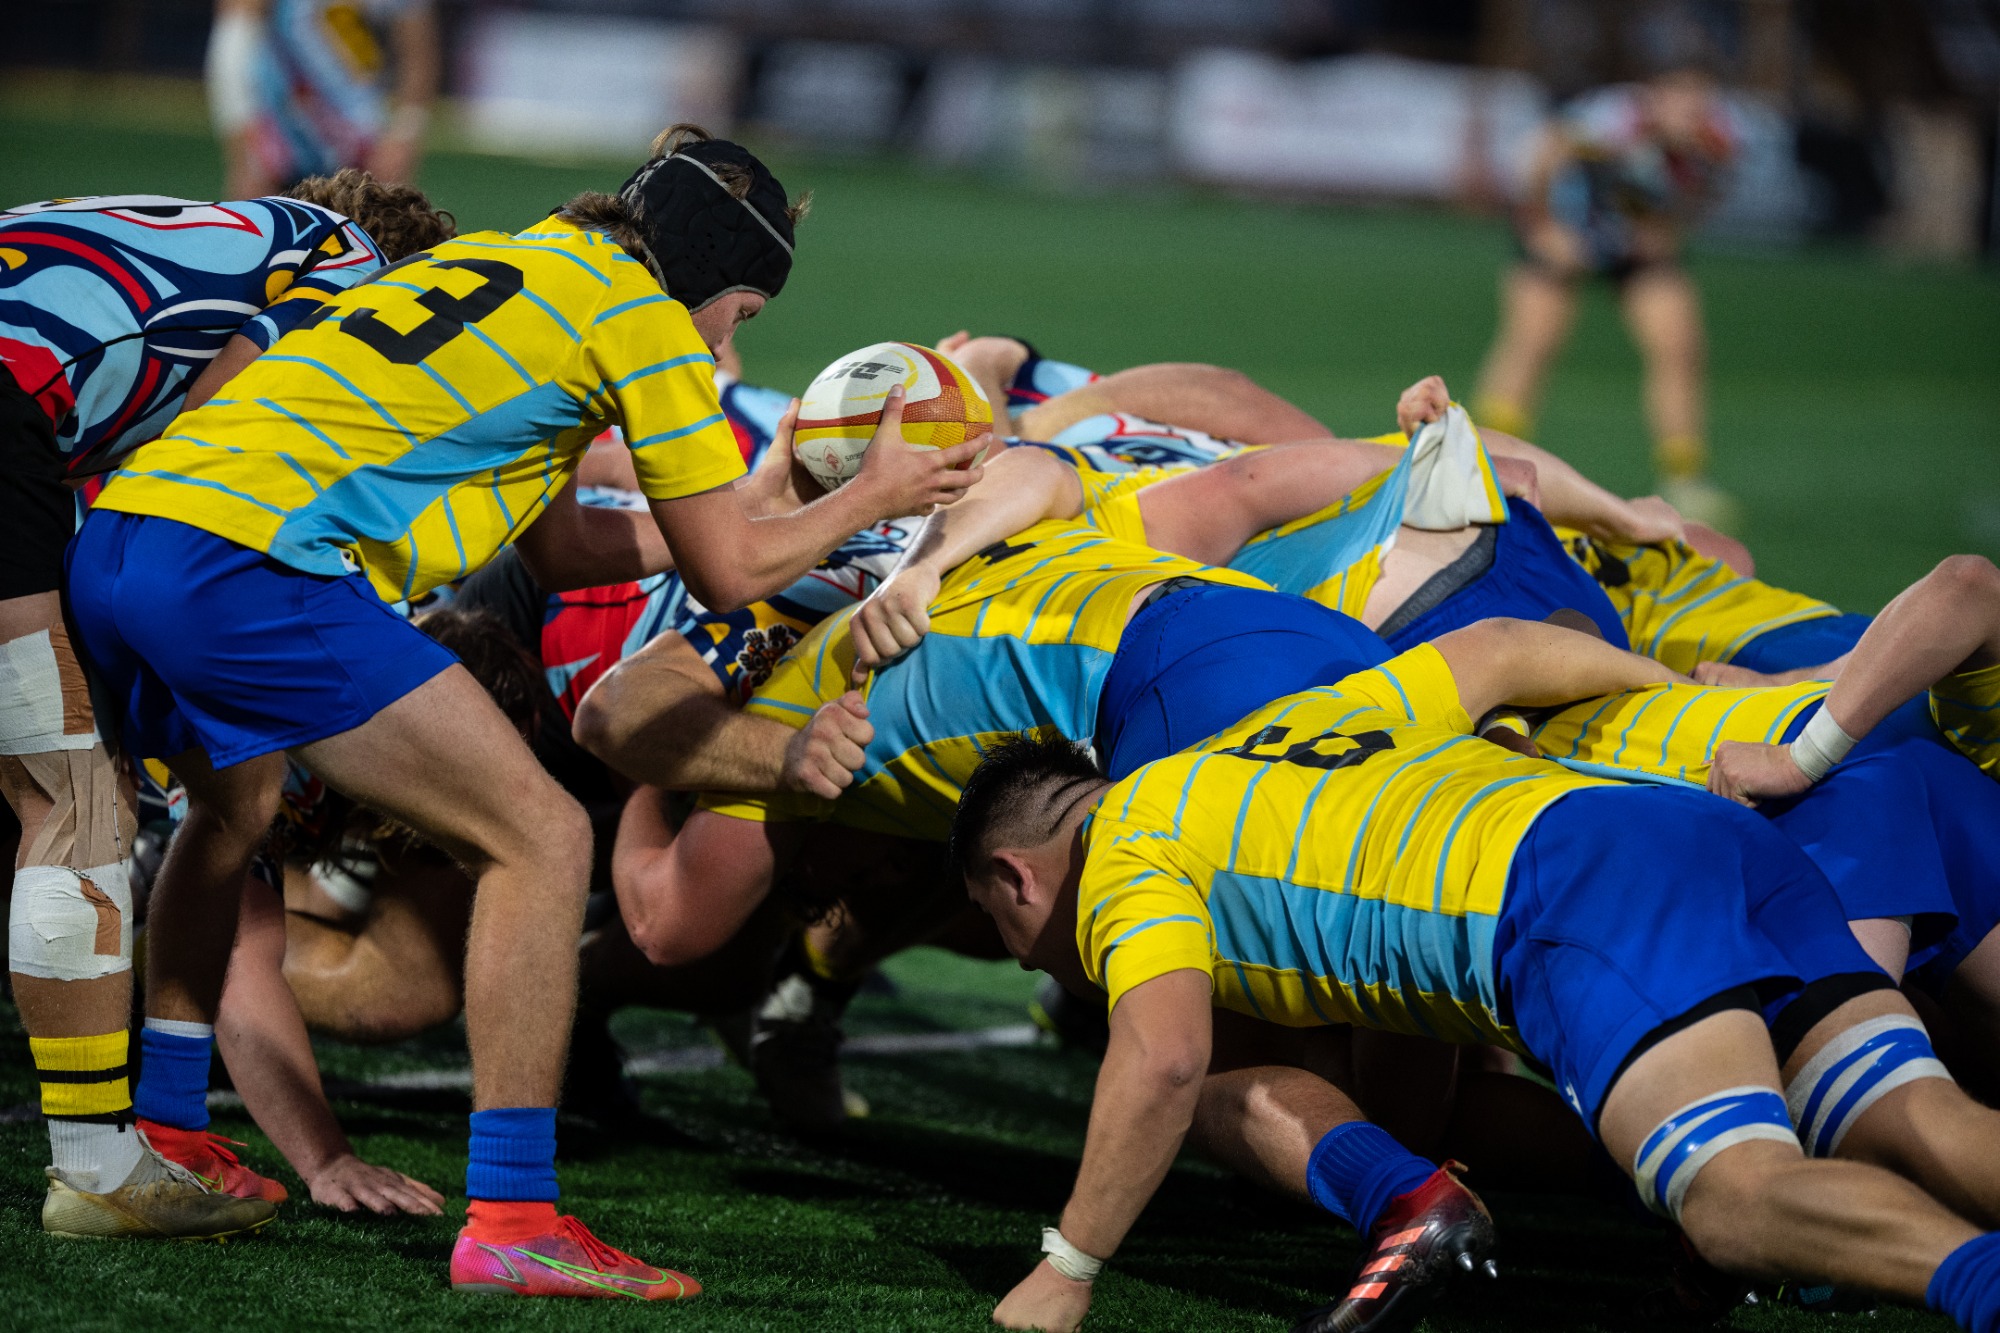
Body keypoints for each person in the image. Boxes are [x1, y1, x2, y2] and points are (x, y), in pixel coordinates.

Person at [60, 126, 981, 1293]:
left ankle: (171, 1129)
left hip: (129, 537)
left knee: (230, 813)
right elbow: (730, 577)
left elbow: (559, 544)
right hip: (250, 568)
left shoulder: (507, 260)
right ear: (708, 271)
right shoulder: (646, 318)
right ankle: (512, 1216)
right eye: (739, 312)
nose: (726, 342)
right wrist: (878, 494)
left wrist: (749, 507)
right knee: (542, 837)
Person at [950, 630, 2000, 1333]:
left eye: (1001, 924)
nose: (1023, 954)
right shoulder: (1275, 734)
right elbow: (1499, 647)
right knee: (1912, 1117)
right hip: (1682, 825)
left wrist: (1066, 1269)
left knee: (1733, 1201)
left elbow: (1166, 1059)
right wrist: (1680, 690)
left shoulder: (1123, 850)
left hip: (1572, 889)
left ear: (1015, 874)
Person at [0, 174, 450, 1240]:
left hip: (25, 415)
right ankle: (100, 1168)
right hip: (10, 412)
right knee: (74, 797)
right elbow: (206, 442)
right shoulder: (353, 271)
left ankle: (145, 1128)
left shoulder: (200, 247)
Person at [1471, 67, 1740, 529]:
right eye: (1682, 100)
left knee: (1679, 346)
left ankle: (1685, 478)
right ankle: (1482, 464)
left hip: (1632, 244)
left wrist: (1664, 232)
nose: (1691, 113)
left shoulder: (1715, 142)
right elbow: (1546, 154)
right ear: (1656, 96)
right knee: (1532, 343)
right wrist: (1543, 226)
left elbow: (1699, 197)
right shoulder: (1614, 119)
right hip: (1568, 229)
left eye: (1700, 103)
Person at [208, 0, 441, 197]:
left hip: (364, 142)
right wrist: (243, 142)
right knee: (262, 232)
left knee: (381, 232)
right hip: (279, 137)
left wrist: (404, 135)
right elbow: (235, 35)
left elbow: (418, 53)